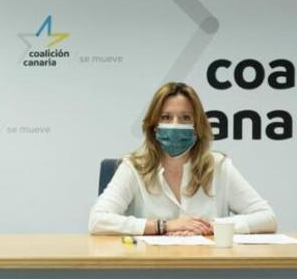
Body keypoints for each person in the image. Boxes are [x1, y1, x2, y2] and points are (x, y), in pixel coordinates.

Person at [89, 82, 275, 235]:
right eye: (166, 117)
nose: (175, 126)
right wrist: (164, 226)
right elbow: (97, 220)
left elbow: (267, 217)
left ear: (197, 126)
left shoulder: (217, 166)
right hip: (148, 270)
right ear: (153, 126)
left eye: (185, 118)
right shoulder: (134, 167)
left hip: (208, 269)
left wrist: (207, 227)